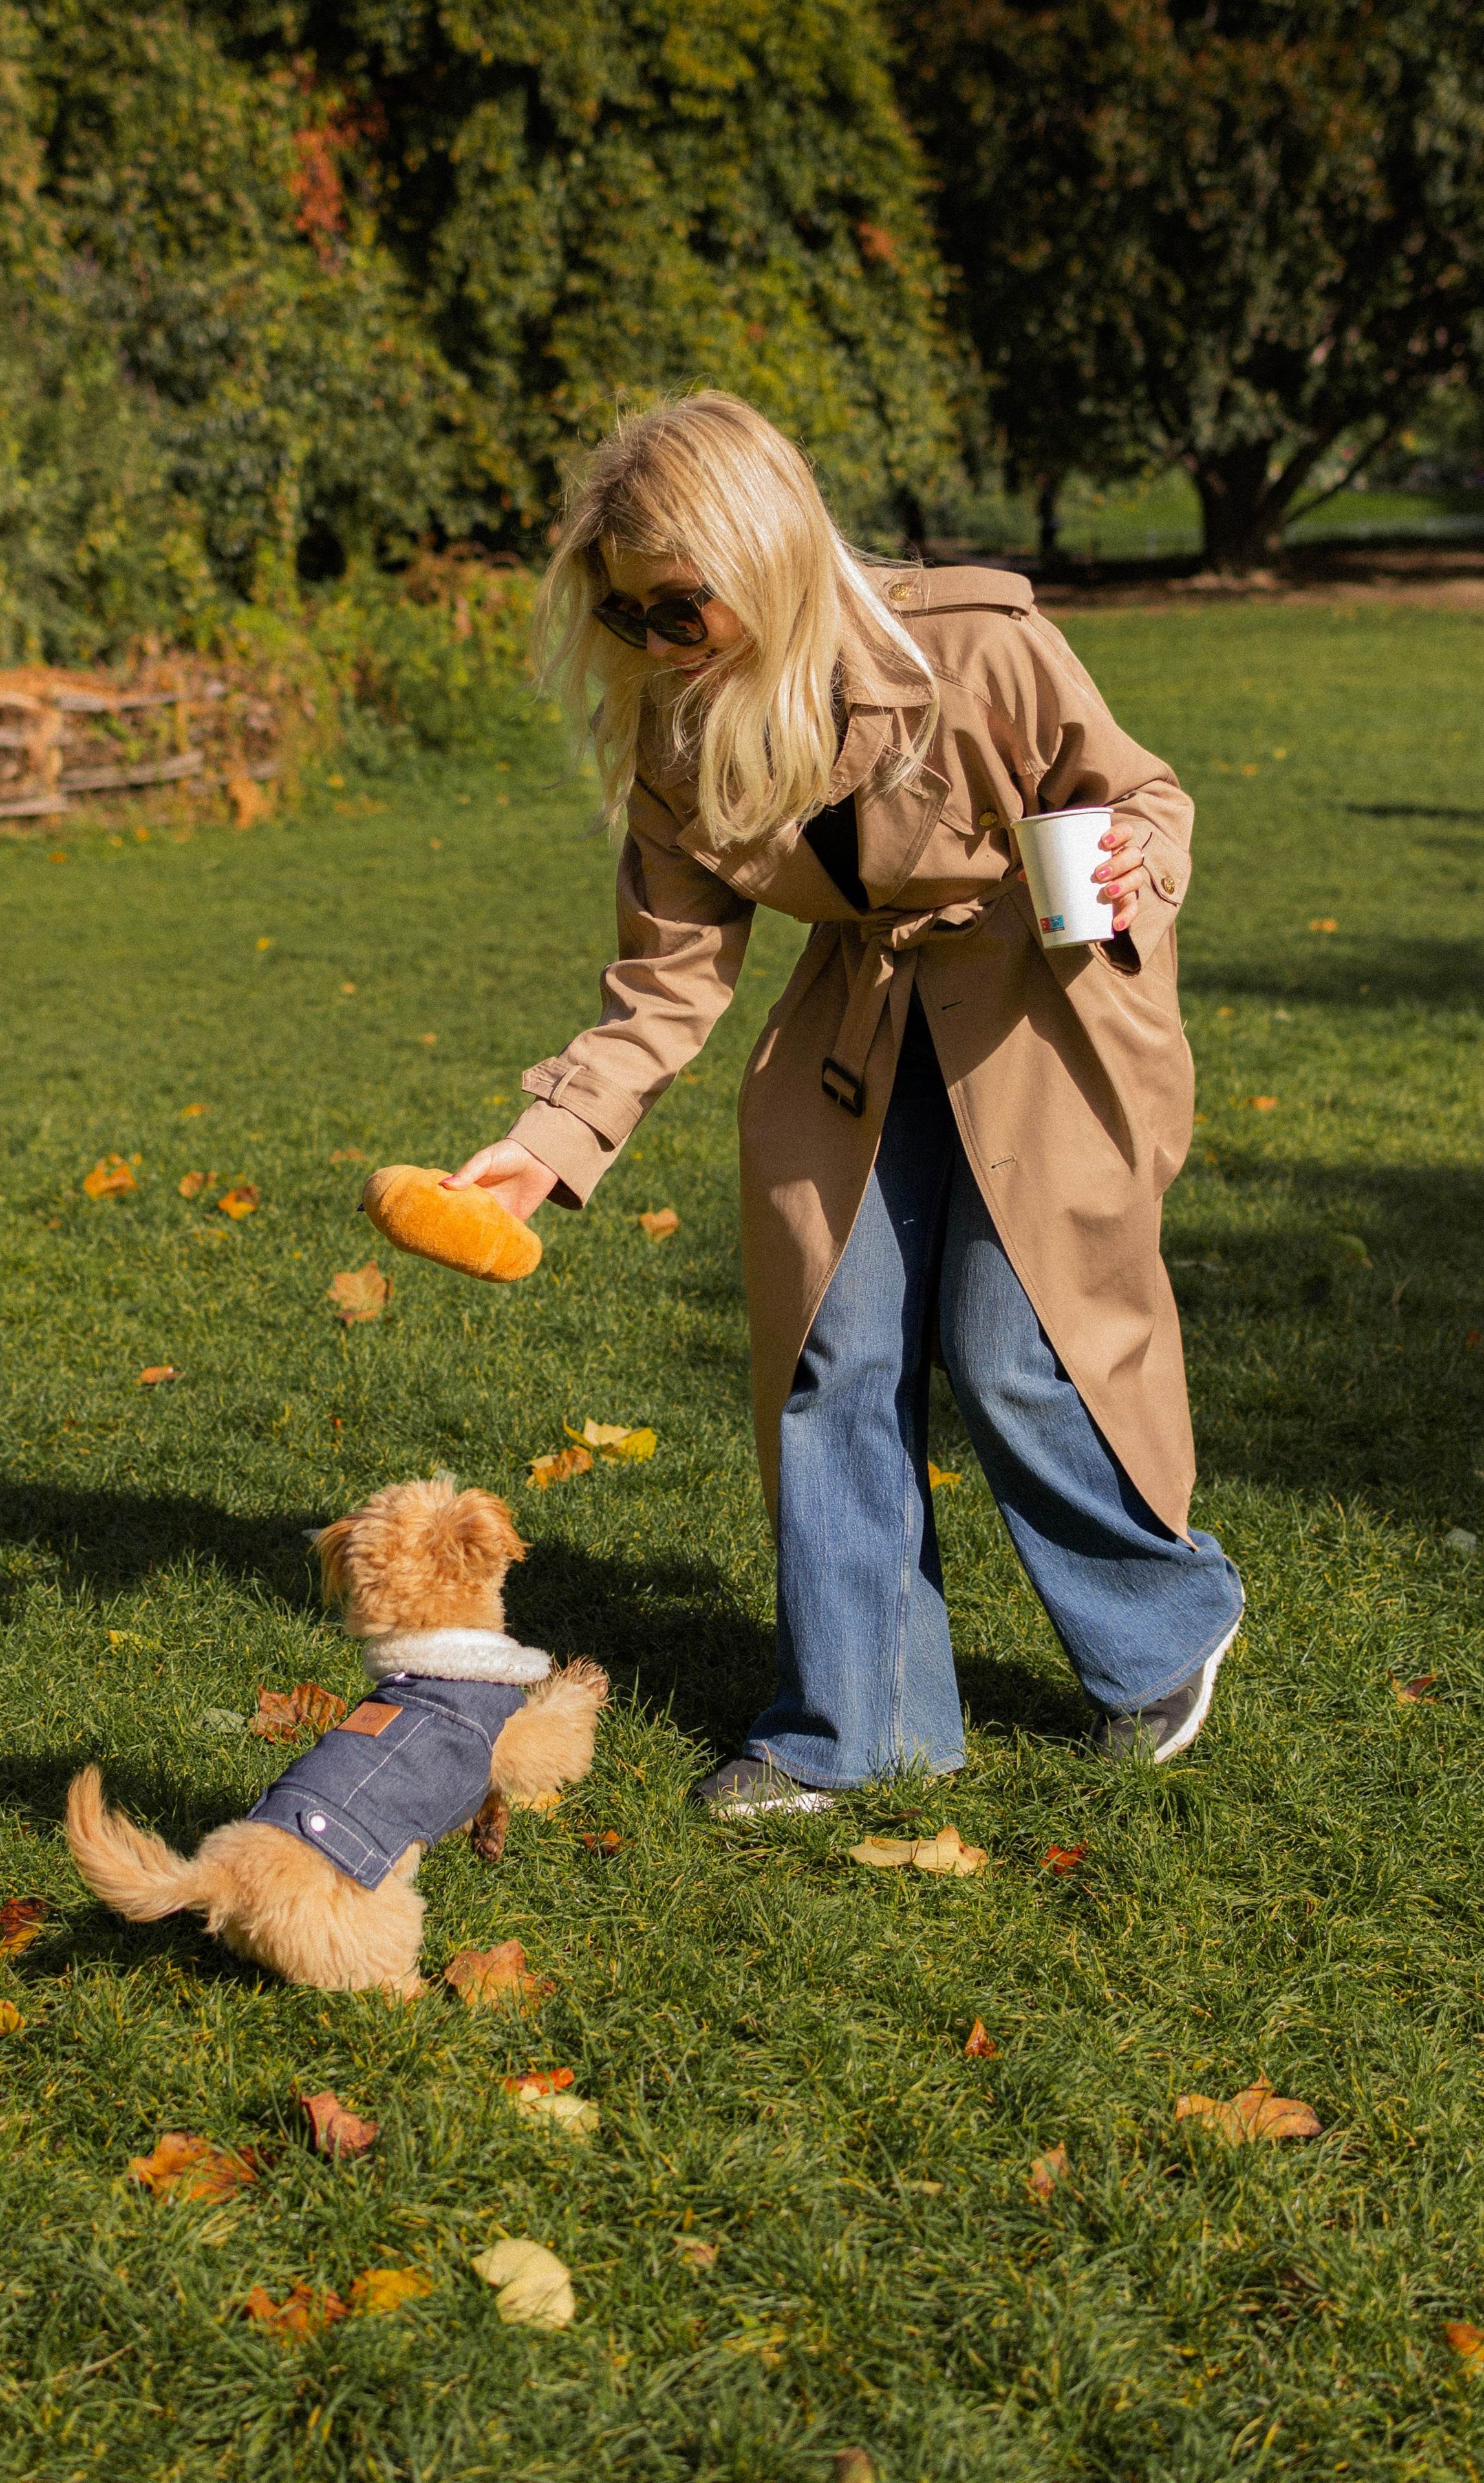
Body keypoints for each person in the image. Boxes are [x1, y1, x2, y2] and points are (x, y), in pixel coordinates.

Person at [447, 392, 1243, 1814]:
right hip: (857, 1030)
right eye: (625, 616)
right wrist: (545, 1141)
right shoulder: (673, 734)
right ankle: (857, 1723)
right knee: (831, 1349)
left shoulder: (976, 645)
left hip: (1039, 1000)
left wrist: (1130, 859)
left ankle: (1161, 1628)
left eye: (676, 608)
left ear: (763, 555)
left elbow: (1141, 797)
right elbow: (669, 979)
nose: (652, 644)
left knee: (1016, 1346)